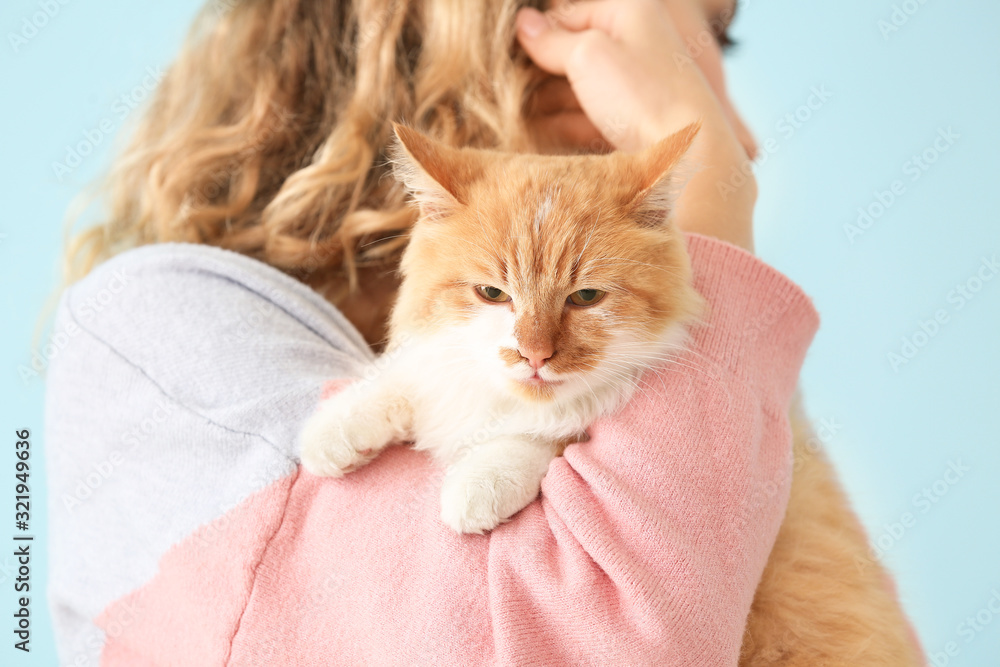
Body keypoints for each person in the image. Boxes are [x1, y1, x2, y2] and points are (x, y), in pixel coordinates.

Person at [45, 0, 921, 664]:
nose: (707, 97)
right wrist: (706, 201)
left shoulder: (713, 387)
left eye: (715, 38)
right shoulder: (152, 340)